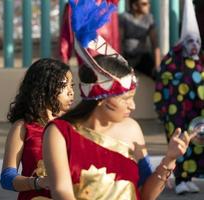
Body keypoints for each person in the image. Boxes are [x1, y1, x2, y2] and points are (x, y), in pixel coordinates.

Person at [43, 1, 194, 199]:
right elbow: (61, 191)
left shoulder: (132, 129)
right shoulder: (59, 133)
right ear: (101, 99)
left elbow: (146, 195)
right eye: (126, 99)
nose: (133, 105)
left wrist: (170, 159)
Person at [0, 58, 74, 200]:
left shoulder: (74, 125)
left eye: (72, 86)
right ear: (43, 89)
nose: (71, 92)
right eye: (64, 86)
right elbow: (7, 178)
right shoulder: (22, 127)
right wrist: (37, 183)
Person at [154, 0, 204, 195]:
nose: (195, 45)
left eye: (197, 42)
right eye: (191, 41)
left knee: (196, 145)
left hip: (195, 114)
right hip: (177, 114)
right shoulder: (172, 61)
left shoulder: (198, 62)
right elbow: (163, 82)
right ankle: (181, 177)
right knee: (179, 144)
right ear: (183, 43)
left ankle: (188, 178)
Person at [59, 0, 120, 66]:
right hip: (87, 64)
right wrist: (64, 60)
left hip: (107, 63)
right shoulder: (75, 5)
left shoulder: (109, 4)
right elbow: (66, 37)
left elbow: (115, 37)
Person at [119, 0, 160, 78]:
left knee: (159, 76)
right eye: (144, 4)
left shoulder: (149, 19)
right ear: (135, 6)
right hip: (126, 57)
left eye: (148, 3)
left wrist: (157, 66)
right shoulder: (124, 17)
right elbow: (119, 40)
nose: (148, 6)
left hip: (142, 57)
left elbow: (155, 44)